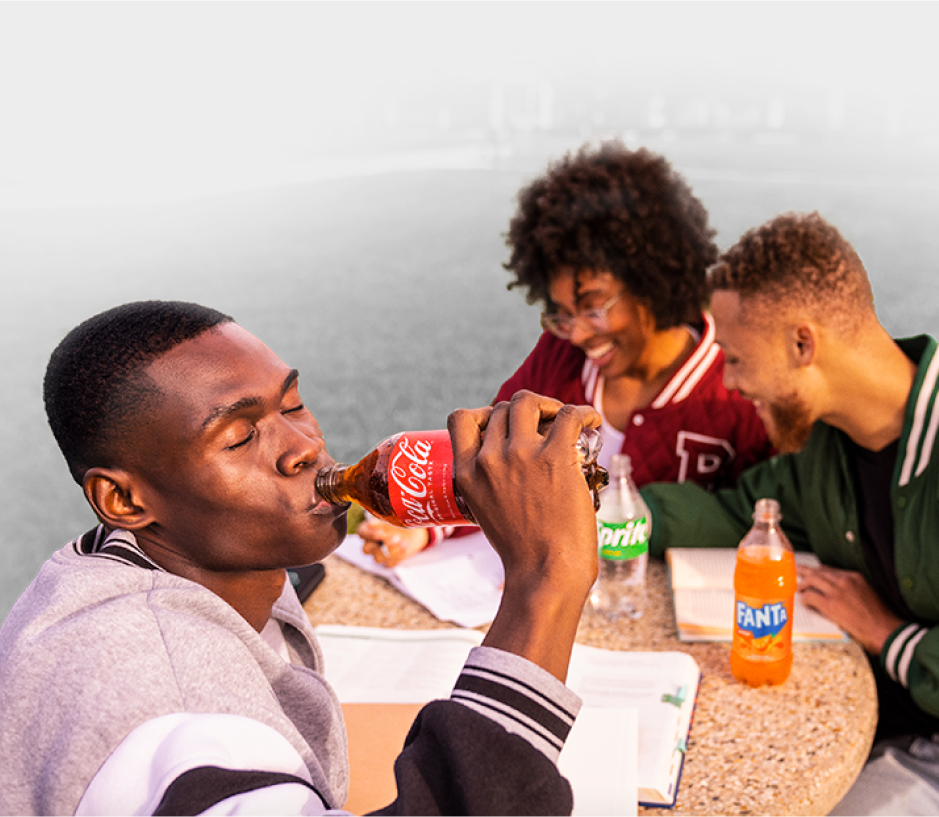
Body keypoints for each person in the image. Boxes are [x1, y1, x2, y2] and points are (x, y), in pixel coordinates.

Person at [0, 300, 603, 815]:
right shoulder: (173, 709)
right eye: (239, 436)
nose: (303, 448)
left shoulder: (184, 562)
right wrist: (545, 576)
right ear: (123, 498)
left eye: (291, 405)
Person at [639, 212, 939, 816]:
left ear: (804, 343)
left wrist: (892, 637)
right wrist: (592, 508)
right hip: (874, 735)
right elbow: (739, 514)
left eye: (738, 359)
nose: (730, 382)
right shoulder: (825, 445)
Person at [358, 140, 773, 565]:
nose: (576, 333)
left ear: (654, 280)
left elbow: (766, 518)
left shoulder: (736, 387)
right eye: (561, 315)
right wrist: (425, 530)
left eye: (593, 308)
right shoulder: (559, 357)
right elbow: (490, 460)